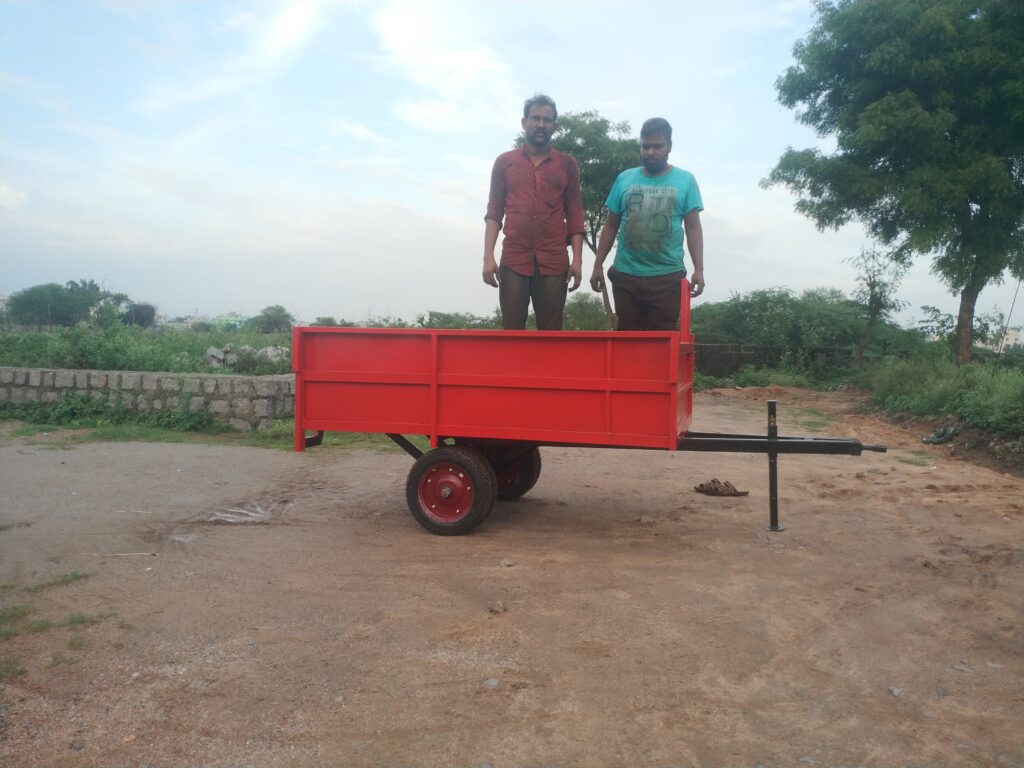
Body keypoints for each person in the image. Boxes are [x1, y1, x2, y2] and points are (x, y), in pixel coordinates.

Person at [590, 117, 704, 331]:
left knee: (661, 344)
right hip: (626, 275)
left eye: (657, 146)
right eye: (646, 146)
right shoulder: (625, 179)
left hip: (667, 277)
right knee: (628, 341)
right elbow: (611, 225)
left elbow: (693, 228)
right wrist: (598, 265)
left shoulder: (685, 181)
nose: (650, 152)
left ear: (669, 147)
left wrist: (699, 269)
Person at [483, 94, 585, 330]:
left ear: (554, 126)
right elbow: (494, 212)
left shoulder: (567, 164)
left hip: (554, 261)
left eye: (546, 120)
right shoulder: (504, 162)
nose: (540, 124)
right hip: (514, 258)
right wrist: (488, 256)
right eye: (535, 118)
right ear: (524, 122)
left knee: (550, 334)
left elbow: (575, 214)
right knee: (511, 331)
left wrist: (577, 260)